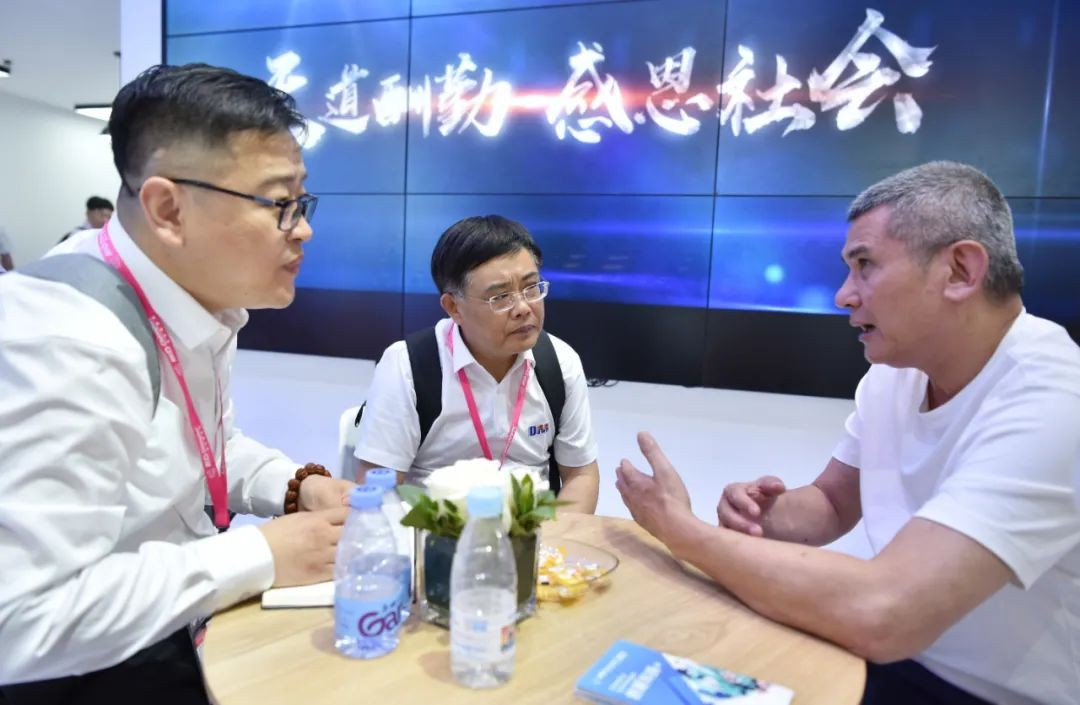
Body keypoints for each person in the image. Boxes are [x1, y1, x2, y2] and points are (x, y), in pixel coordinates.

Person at [615, 161, 1080, 705]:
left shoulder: (1054, 398)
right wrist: (767, 515)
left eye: (865, 266)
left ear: (960, 270)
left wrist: (681, 530)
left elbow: (887, 612)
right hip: (878, 660)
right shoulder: (893, 373)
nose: (843, 295)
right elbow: (834, 502)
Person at [0, 63, 354, 701]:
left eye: (302, 202)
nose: (303, 228)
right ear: (168, 208)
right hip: (81, 672)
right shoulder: (71, 340)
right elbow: (22, 618)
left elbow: (198, 443)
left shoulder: (192, 295)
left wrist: (294, 487)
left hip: (167, 626)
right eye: (280, 204)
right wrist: (262, 555)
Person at [354, 215, 600, 513]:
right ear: (453, 307)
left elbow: (580, 474)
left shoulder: (560, 362)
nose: (523, 308)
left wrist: (553, 539)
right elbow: (378, 487)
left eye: (531, 288)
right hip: (438, 533)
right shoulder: (407, 366)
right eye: (501, 297)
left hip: (535, 532)